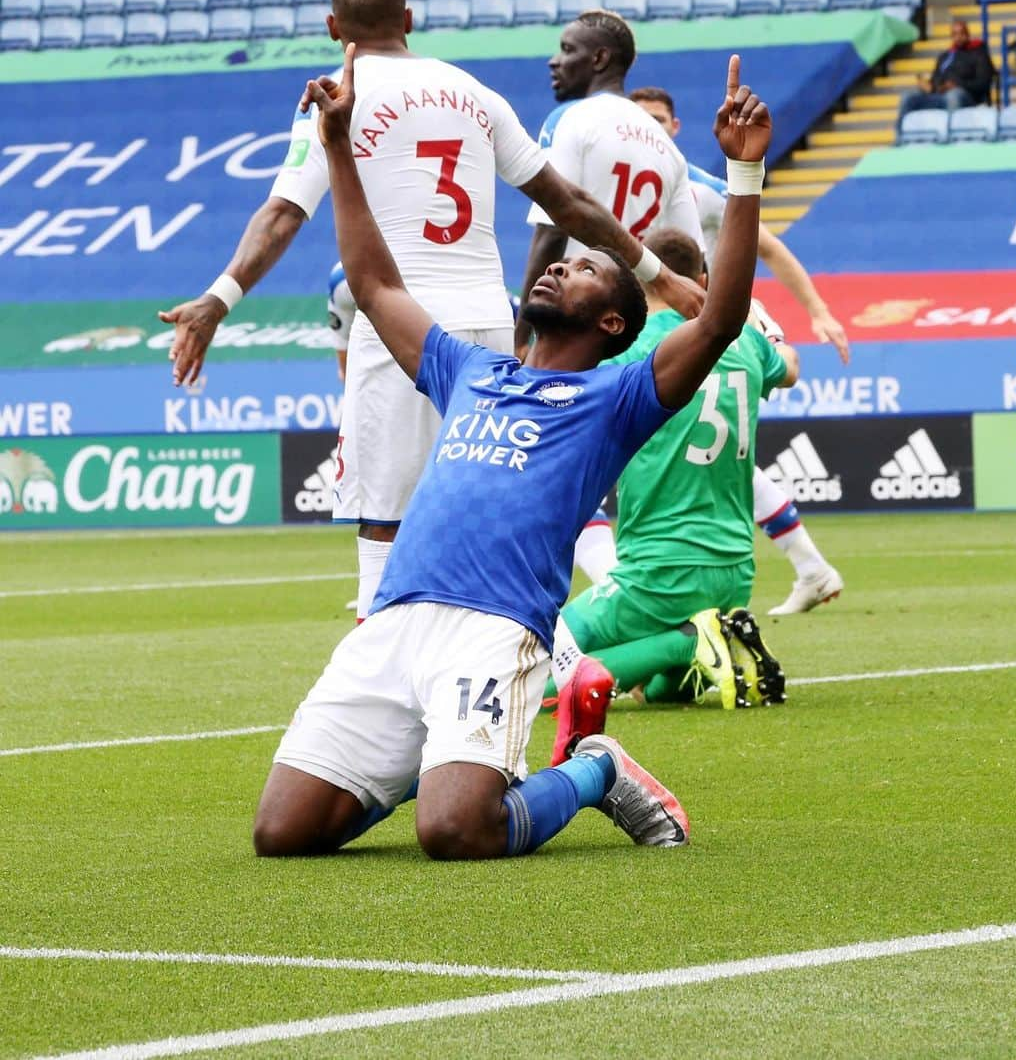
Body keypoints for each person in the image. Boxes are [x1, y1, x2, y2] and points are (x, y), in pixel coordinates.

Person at [252, 48, 771, 860]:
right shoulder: (470, 367)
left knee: (456, 831)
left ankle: (593, 766)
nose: (563, 262)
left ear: (611, 326)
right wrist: (339, 146)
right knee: (282, 832)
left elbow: (718, 320)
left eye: (589, 268)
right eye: (563, 257)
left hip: (495, 630)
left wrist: (743, 177)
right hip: (396, 620)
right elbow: (375, 281)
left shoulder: (616, 399)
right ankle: (433, 760)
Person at [159, 0, 702, 623]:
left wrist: (219, 298)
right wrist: (657, 273)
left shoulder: (336, 97)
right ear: (409, 19)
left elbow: (282, 213)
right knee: (484, 519)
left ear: (334, 28)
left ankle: (376, 691)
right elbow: (571, 204)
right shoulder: (474, 93)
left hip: (403, 331)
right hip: (489, 334)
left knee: (384, 529)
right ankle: (548, 664)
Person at [547, 229, 798, 764]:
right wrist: (764, 330)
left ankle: (692, 638)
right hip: (734, 570)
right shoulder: (744, 341)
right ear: (699, 282)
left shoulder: (632, 349)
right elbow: (791, 368)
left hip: (659, 571)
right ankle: (706, 640)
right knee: (663, 692)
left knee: (544, 660)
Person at [622, 85, 844, 615]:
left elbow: (767, 245)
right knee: (702, 451)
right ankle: (810, 566)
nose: (649, 129)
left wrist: (817, 309)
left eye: (658, 119)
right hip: (654, 324)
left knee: (694, 446)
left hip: (715, 321)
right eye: (639, 120)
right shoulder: (619, 184)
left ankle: (626, 587)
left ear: (675, 128)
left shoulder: (696, 187)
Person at [513, 10, 707, 587]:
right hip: (632, 326)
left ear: (599, 59)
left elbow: (552, 226)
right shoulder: (668, 151)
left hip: (572, 326)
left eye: (567, 48)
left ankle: (595, 601)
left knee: (540, 475)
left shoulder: (572, 120)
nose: (555, 59)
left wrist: (525, 331)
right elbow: (691, 256)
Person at [897, 19, 995, 121]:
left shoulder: (978, 54)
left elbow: (983, 83)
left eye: (961, 33)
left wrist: (957, 85)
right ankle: (901, 135)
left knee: (953, 96)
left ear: (967, 34)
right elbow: (935, 78)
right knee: (908, 97)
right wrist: (930, 86)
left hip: (967, 97)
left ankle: (949, 135)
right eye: (955, 34)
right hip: (940, 96)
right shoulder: (945, 56)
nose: (958, 37)